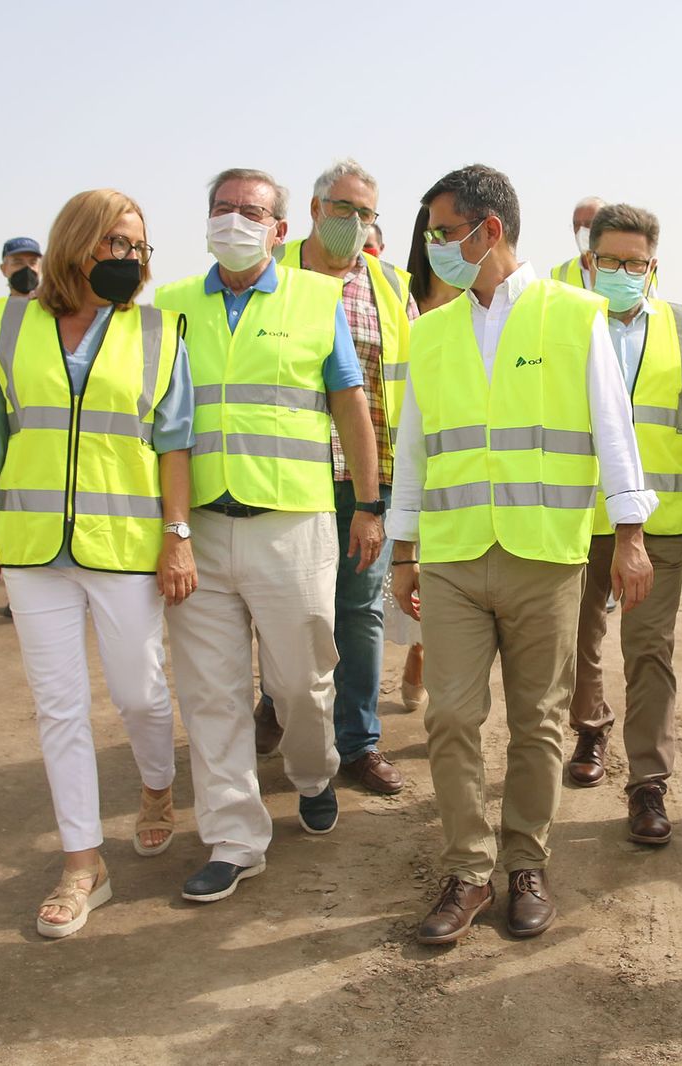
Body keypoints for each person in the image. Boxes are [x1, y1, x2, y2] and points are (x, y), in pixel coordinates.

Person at [390, 164, 655, 945]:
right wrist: (403, 551)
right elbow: (414, 448)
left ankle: (525, 861)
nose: (435, 248)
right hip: (453, 556)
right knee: (452, 720)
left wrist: (631, 536)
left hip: (544, 555)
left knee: (538, 723)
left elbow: (614, 430)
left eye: (443, 232)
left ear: (488, 230)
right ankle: (469, 871)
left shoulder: (575, 315)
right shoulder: (432, 329)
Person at [0, 189, 193, 938]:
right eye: (118, 243)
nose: (132, 258)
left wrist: (177, 535)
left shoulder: (156, 333)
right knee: (59, 708)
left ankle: (157, 786)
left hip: (123, 547)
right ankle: (83, 863)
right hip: (32, 550)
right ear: (77, 243)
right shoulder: (4, 325)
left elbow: (174, 442)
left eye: (140, 247)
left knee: (142, 695)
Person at [155, 167, 381, 905]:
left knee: (300, 683)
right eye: (221, 208)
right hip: (203, 530)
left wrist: (370, 503)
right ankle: (233, 839)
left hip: (294, 524)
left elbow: (351, 408)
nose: (233, 222)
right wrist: (172, 528)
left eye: (250, 212)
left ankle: (314, 775)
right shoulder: (172, 305)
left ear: (281, 229)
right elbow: (164, 425)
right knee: (211, 693)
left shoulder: (318, 299)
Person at [564, 204, 682, 848]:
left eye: (635, 262)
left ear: (653, 265)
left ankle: (647, 783)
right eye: (611, 261)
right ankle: (590, 725)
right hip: (578, 512)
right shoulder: (563, 321)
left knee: (649, 649)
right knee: (577, 639)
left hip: (658, 516)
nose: (623, 272)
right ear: (590, 261)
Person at [265, 158, 417, 796]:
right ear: (314, 210)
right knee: (285, 609)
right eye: (344, 210)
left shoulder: (389, 284)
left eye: (366, 215)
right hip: (285, 476)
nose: (354, 224)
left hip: (363, 478)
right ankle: (280, 713)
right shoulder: (273, 275)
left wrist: (391, 490)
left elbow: (408, 385)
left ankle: (357, 741)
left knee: (359, 612)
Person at [390, 203, 463, 716]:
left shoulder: (476, 299)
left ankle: (427, 659)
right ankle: (418, 649)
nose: (441, 242)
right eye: (433, 233)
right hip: (408, 446)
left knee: (452, 578)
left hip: (459, 451)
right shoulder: (403, 298)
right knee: (414, 570)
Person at [548, 196, 604, 288]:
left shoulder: (621, 267)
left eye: (588, 224)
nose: (581, 231)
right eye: (576, 225)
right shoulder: (560, 272)